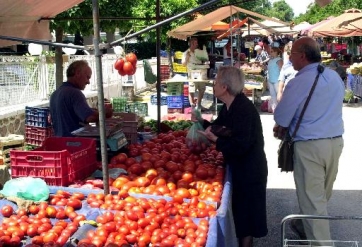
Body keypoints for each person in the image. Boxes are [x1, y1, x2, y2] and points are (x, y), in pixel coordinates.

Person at [274, 37, 344, 243]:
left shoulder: (298, 82)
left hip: (310, 146)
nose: (289, 58)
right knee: (320, 195)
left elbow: (281, 117)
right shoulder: (333, 77)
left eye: (292, 54)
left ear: (302, 56)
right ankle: (303, 225)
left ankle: (320, 242)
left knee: (313, 203)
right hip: (335, 143)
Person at [194, 66, 268, 247]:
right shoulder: (230, 106)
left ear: (225, 87)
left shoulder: (243, 109)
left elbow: (240, 145)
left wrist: (216, 140)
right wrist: (202, 123)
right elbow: (219, 126)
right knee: (241, 214)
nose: (214, 84)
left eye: (216, 81)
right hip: (241, 167)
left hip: (250, 170)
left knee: (246, 218)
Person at [50, 60, 113, 137]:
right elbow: (89, 117)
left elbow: (70, 114)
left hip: (60, 143)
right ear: (77, 73)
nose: (88, 82)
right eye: (87, 77)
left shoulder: (55, 93)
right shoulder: (74, 93)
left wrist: (94, 111)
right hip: (74, 144)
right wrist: (106, 113)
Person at [182, 37, 208, 110]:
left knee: (202, 89)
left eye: (197, 43)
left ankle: (199, 105)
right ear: (191, 43)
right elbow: (183, 64)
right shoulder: (186, 52)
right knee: (192, 89)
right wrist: (187, 58)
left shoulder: (199, 52)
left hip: (200, 73)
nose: (197, 44)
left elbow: (204, 60)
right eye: (195, 43)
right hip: (192, 74)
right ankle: (192, 106)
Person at [266, 47, 283, 113]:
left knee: (279, 96)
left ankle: (281, 110)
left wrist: (281, 80)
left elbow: (281, 70)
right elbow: (268, 70)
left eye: (272, 51)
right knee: (273, 96)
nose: (271, 53)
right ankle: (275, 110)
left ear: (276, 52)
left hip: (277, 80)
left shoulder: (279, 60)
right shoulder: (270, 60)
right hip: (270, 80)